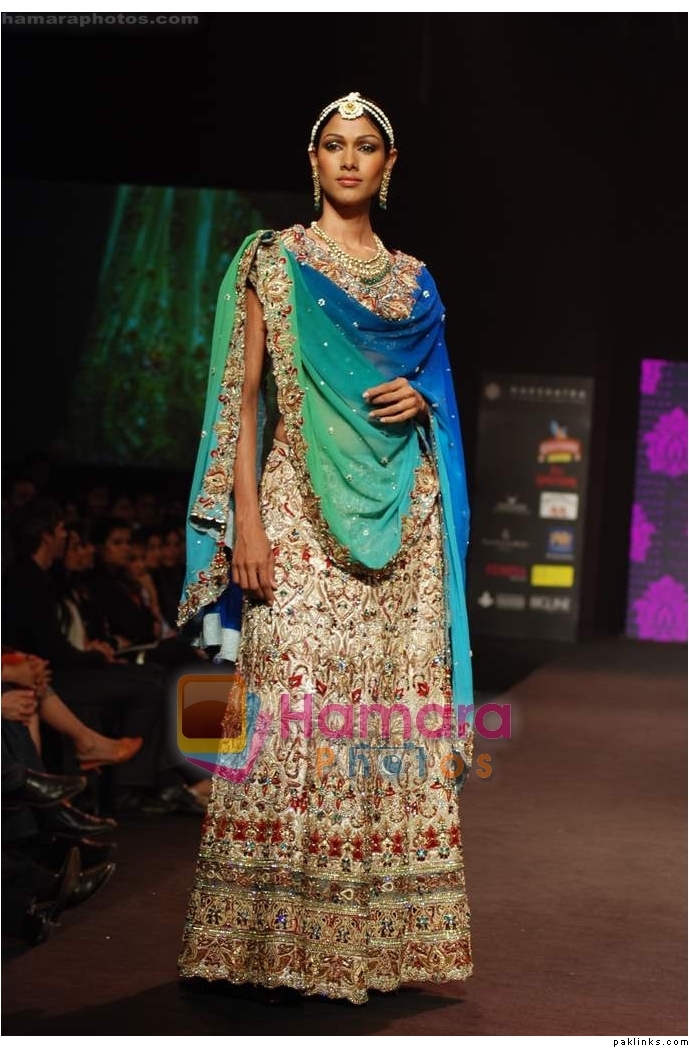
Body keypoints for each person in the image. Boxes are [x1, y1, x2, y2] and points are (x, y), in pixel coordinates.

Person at [177, 91, 474, 1005]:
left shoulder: (415, 283)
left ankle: (371, 945)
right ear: (313, 161)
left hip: (404, 528)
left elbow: (436, 394)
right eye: (334, 145)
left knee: (381, 720)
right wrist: (247, 524)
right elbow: (240, 399)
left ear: (389, 166)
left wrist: (424, 400)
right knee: (288, 712)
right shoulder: (271, 261)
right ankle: (268, 946)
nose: (349, 159)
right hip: (296, 521)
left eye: (366, 146)